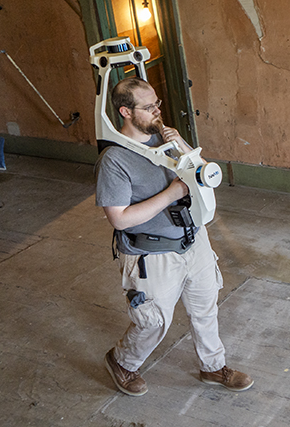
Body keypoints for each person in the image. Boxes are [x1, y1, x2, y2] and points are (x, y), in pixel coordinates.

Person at [95, 76, 252, 396]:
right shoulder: (114, 160)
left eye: (158, 103)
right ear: (126, 112)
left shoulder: (167, 140)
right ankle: (122, 362)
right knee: (153, 321)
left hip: (194, 239)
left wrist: (181, 145)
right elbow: (120, 219)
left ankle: (213, 367)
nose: (157, 111)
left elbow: (206, 176)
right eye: (149, 107)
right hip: (152, 253)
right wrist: (170, 194)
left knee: (205, 306)